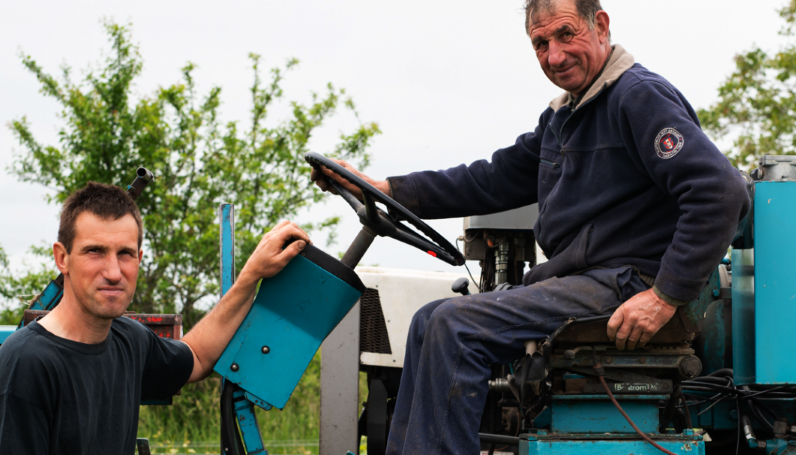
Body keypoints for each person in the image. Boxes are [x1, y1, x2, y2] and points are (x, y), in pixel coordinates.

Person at [312, 0, 751, 453]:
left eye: (566, 35)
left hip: (623, 282)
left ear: (600, 25)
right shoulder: (565, 117)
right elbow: (491, 179)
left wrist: (664, 296)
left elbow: (720, 191)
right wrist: (385, 187)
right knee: (428, 320)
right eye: (540, 44)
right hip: (583, 280)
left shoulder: (635, 96)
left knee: (454, 327)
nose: (554, 55)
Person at [0, 182, 310, 454]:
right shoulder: (27, 365)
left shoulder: (128, 339)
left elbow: (198, 356)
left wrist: (251, 276)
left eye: (125, 253)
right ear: (62, 258)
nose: (113, 272)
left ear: (139, 258)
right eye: (94, 251)